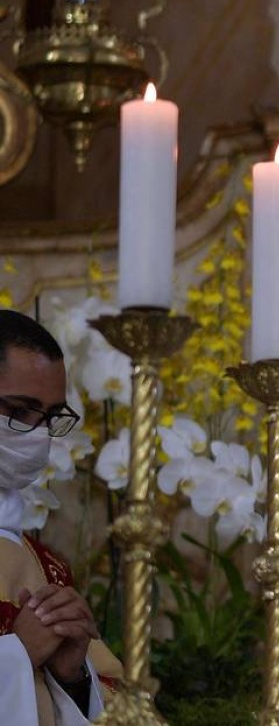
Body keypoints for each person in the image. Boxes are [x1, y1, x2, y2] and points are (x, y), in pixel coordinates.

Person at [0, 310, 118, 724]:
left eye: (51, 418)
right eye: (18, 411)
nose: (37, 434)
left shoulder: (45, 568)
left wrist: (70, 677)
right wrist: (18, 657)